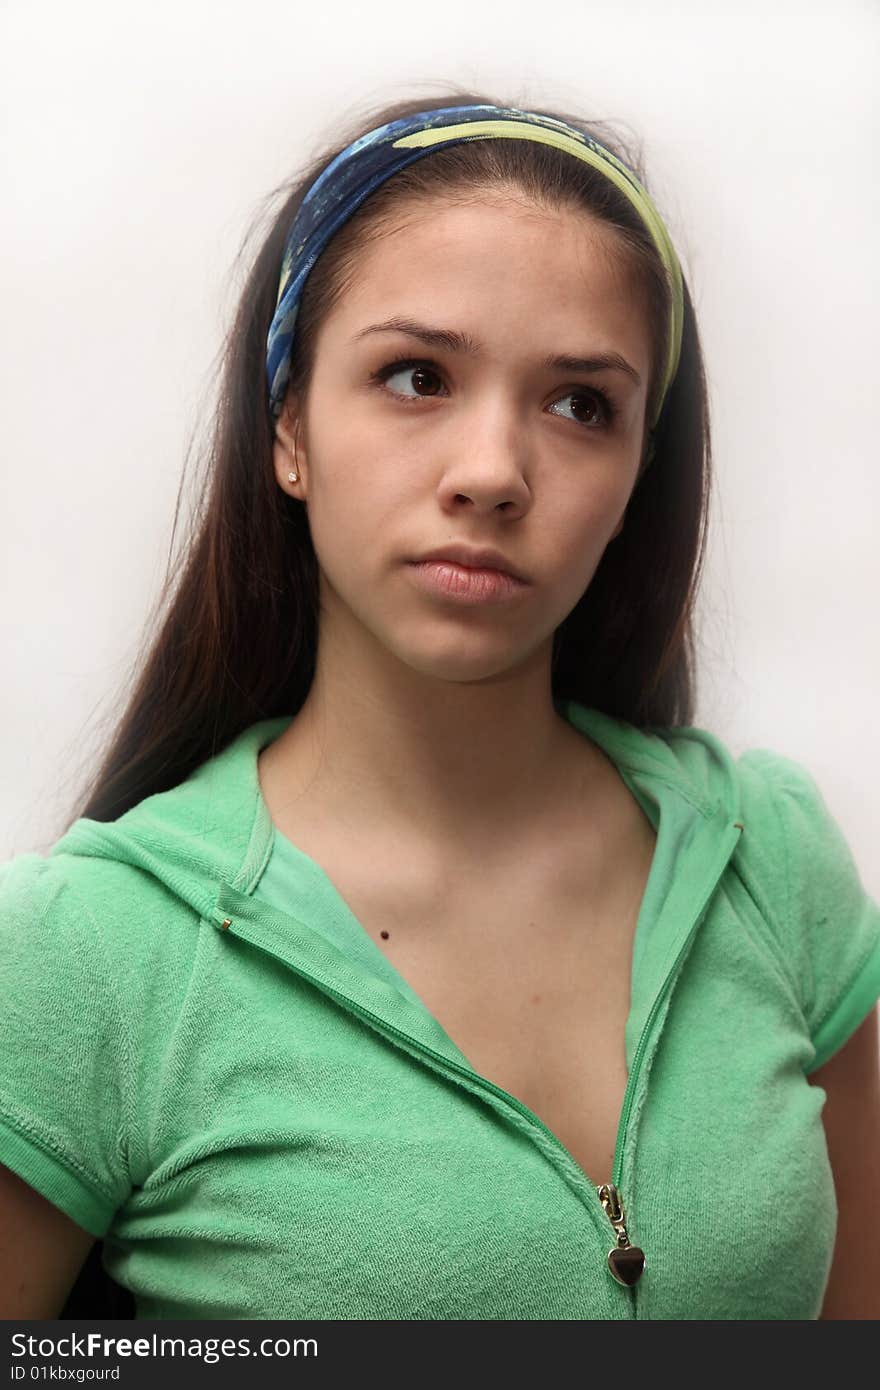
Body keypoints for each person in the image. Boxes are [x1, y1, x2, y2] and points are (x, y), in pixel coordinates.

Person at [1, 89, 879, 1322]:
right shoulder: (86, 951)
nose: (491, 473)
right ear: (289, 424)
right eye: (416, 376)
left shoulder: (768, 860)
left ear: (637, 478)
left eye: (582, 404)